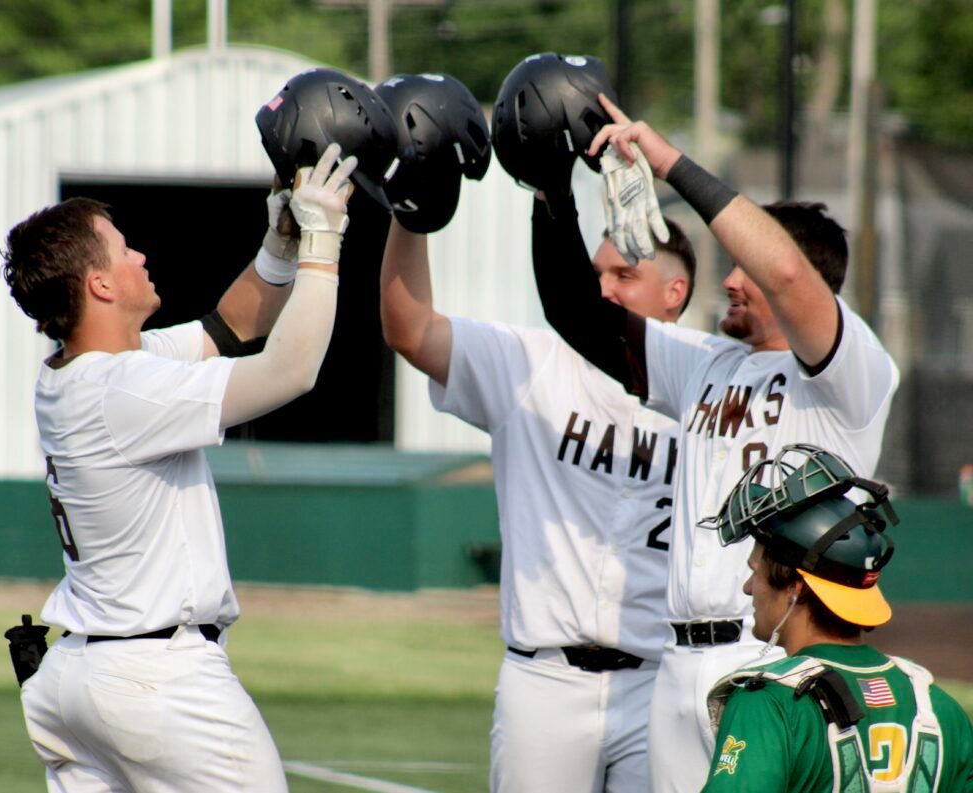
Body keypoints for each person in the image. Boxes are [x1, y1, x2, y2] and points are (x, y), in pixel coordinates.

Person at [531, 95, 900, 792]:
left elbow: (786, 273)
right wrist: (550, 187)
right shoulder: (705, 362)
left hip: (773, 653)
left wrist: (669, 162)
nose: (730, 278)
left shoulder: (851, 374)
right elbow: (575, 315)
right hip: (676, 669)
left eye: (745, 266)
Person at [0, 143, 356, 792]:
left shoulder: (79, 373)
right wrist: (323, 238)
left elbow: (230, 327)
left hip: (80, 679)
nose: (140, 256)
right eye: (123, 249)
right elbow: (291, 370)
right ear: (100, 284)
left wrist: (279, 242)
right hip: (156, 680)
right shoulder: (125, 386)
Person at [382, 207, 696, 791]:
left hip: (662, 680)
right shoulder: (529, 360)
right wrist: (411, 213)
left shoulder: (711, 387)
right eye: (595, 273)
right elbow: (410, 329)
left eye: (624, 275)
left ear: (674, 293)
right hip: (546, 678)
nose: (602, 287)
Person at [700, 443, 973, 792]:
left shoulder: (768, 703)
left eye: (756, 571)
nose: (748, 588)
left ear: (796, 586)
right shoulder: (938, 708)